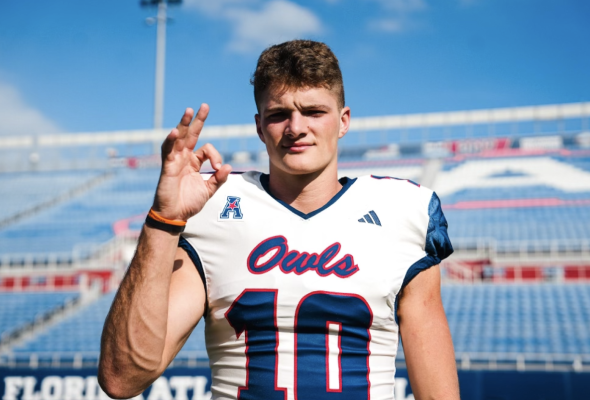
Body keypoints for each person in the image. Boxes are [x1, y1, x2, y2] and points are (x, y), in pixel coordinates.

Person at [99, 40, 459, 400]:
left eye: (314, 111)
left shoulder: (402, 211)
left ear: (344, 120)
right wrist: (164, 220)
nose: (295, 128)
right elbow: (122, 378)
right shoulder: (213, 211)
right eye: (278, 114)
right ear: (259, 126)